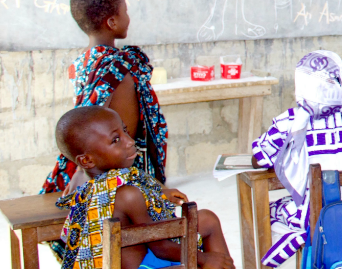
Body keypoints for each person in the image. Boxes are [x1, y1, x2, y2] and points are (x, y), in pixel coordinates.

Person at [250, 50, 342, 267]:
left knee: (268, 211)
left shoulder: (291, 121)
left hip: (318, 215)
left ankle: (306, 251)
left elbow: (260, 158)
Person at [54, 106, 233, 269]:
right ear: (86, 160)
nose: (129, 141)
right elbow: (160, 248)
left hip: (125, 259)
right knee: (210, 228)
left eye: (124, 131)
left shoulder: (82, 183)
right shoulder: (128, 195)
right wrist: (205, 259)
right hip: (148, 264)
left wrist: (158, 194)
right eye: (116, 140)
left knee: (207, 219)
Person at [43, 0, 168, 197]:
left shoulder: (81, 63)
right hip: (122, 175)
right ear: (112, 22)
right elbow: (122, 133)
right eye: (125, 12)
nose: (128, 18)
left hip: (99, 169)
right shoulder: (118, 69)